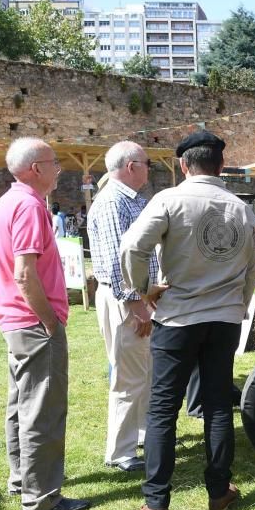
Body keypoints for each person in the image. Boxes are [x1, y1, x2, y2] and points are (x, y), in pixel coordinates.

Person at [121, 131, 255, 510]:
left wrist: (145, 292)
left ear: (184, 165)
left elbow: (132, 249)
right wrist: (238, 304)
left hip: (178, 317)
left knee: (163, 408)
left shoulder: (169, 200)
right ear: (220, 165)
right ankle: (218, 493)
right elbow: (251, 270)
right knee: (217, 406)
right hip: (224, 318)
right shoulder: (241, 208)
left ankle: (157, 505)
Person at [0, 137, 89, 510]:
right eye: (54, 162)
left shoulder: (5, 204)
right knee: (42, 409)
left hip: (14, 319)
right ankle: (42, 497)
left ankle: (22, 480)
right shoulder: (27, 206)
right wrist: (49, 322)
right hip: (32, 321)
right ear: (35, 169)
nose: (59, 168)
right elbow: (25, 274)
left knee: (21, 405)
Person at [88, 141, 158, 474]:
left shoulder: (126, 200)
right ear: (131, 166)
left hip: (133, 299)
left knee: (140, 372)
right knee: (129, 377)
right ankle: (121, 452)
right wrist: (136, 306)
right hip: (125, 301)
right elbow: (119, 261)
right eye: (147, 163)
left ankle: (139, 435)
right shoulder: (113, 202)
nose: (149, 169)